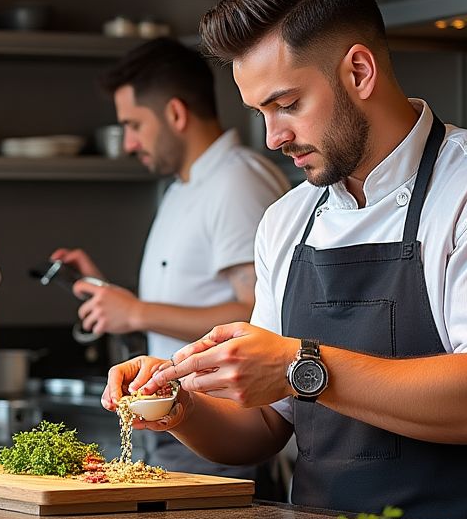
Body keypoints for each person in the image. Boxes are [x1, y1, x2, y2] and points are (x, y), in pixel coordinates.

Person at [105, 0, 467, 519]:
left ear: (359, 71)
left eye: (286, 105)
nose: (274, 136)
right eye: (260, 112)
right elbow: (263, 428)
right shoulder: (287, 221)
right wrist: (182, 408)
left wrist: (300, 365)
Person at [52, 38, 289, 477]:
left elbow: (255, 319)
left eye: (134, 125)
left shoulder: (237, 182)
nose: (127, 143)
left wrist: (138, 312)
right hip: (179, 423)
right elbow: (189, 297)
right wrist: (114, 298)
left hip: (227, 429)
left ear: (176, 114)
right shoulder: (183, 188)